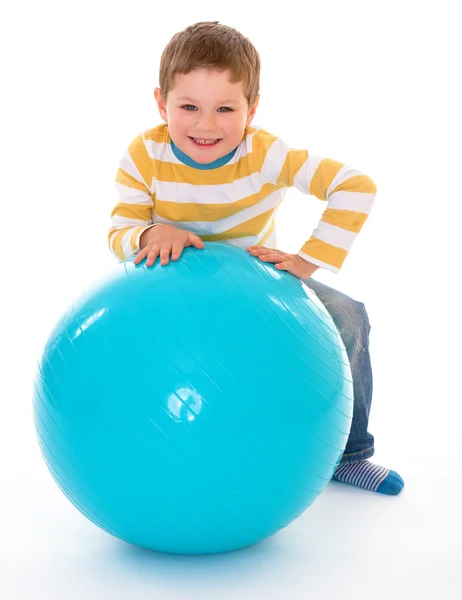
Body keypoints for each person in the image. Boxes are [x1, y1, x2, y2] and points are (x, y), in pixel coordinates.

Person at [109, 21, 404, 495]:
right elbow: (118, 232)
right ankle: (124, 440)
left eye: (225, 108)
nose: (206, 125)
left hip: (255, 285)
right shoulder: (144, 155)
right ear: (161, 103)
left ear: (253, 109)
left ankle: (348, 455)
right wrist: (151, 232)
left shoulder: (265, 153)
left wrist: (308, 259)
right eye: (188, 107)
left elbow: (355, 186)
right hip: (168, 286)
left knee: (350, 315)